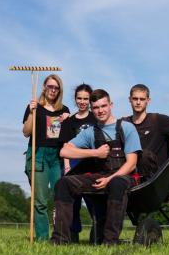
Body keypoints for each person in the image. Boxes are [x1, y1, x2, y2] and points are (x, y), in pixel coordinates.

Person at [50, 89, 141, 245]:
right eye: (96, 108)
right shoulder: (90, 132)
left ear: (110, 105)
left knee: (116, 183)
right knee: (63, 183)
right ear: (92, 109)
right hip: (100, 175)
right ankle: (60, 239)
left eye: (103, 106)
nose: (100, 111)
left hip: (125, 177)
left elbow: (132, 163)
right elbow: (64, 150)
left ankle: (110, 241)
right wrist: (95, 153)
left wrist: (111, 179)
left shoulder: (126, 128)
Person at [22, 74, 70, 241]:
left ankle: (59, 237)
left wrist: (68, 121)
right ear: (44, 87)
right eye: (50, 86)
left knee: (60, 199)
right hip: (38, 154)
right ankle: (42, 238)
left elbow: (67, 137)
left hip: (57, 156)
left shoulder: (64, 110)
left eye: (56, 88)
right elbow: (26, 132)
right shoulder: (35, 107)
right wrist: (32, 113)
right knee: (40, 200)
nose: (52, 90)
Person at [59, 83, 98, 243]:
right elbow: (66, 145)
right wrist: (67, 166)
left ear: (90, 100)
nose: (82, 101)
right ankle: (73, 234)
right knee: (73, 203)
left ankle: (97, 232)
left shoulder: (96, 118)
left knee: (93, 200)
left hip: (91, 164)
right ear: (75, 100)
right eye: (79, 98)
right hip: (73, 165)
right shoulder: (69, 121)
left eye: (85, 99)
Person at [124, 84, 169, 170]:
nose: (138, 102)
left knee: (144, 154)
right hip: (130, 172)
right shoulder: (124, 123)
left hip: (154, 175)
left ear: (148, 101)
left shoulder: (157, 120)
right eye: (135, 99)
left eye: (142, 99)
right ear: (130, 99)